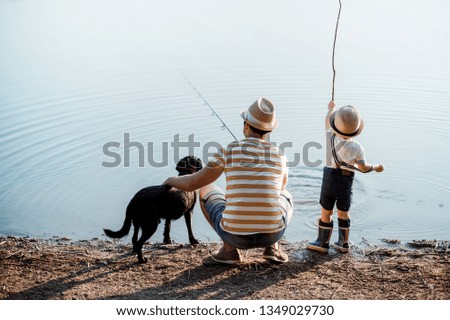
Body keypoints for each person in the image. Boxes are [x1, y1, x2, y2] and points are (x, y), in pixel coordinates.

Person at [164, 97, 293, 264]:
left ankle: (229, 251)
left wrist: (170, 180)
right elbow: (281, 187)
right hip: (272, 234)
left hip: (234, 235)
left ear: (246, 125)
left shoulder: (228, 150)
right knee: (285, 194)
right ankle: (273, 249)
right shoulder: (280, 155)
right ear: (269, 131)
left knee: (205, 188)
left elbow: (192, 184)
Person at [307, 100, 384, 254]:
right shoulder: (357, 148)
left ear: (335, 124)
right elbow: (363, 168)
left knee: (326, 211)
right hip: (346, 180)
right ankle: (343, 243)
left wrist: (331, 108)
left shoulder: (330, 137)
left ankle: (322, 243)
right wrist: (376, 167)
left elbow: (326, 119)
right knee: (343, 211)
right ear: (355, 130)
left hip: (329, 178)